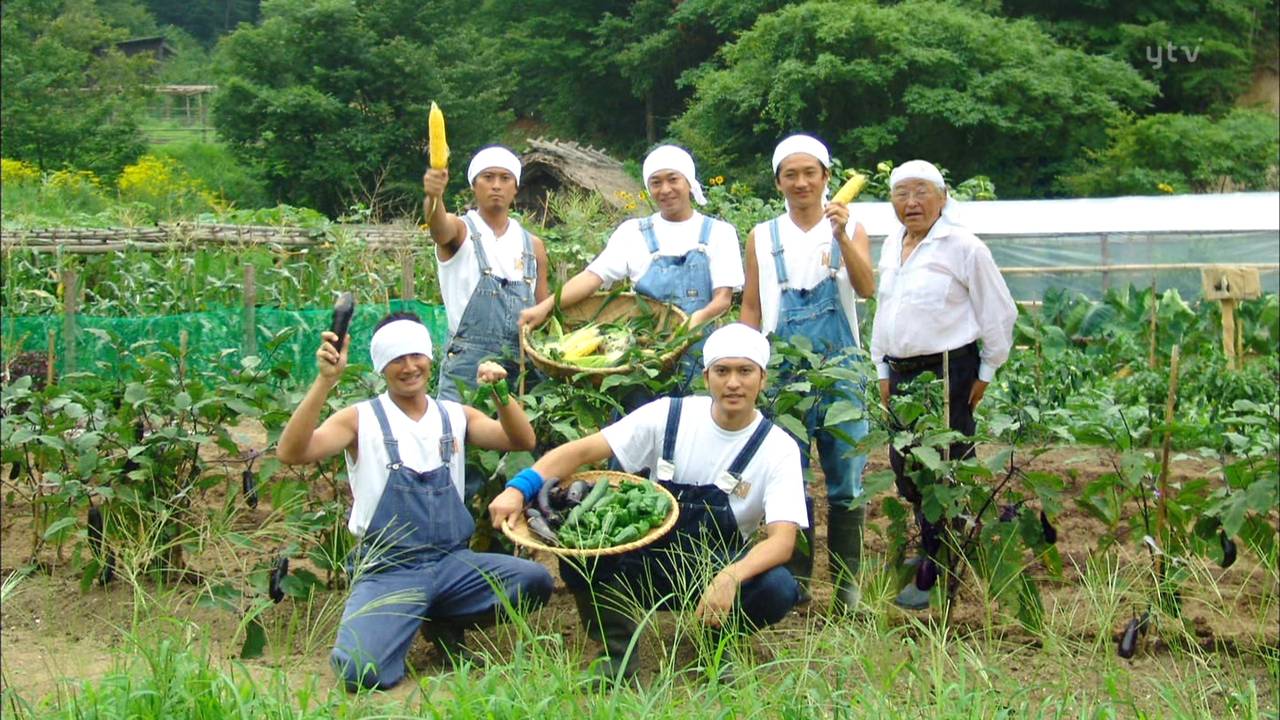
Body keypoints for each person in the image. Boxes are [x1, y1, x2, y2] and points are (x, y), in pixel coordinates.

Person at [488, 323, 806, 684]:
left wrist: (730, 577)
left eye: (745, 371)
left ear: (762, 378)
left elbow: (782, 540)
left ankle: (715, 641)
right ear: (706, 377)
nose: (733, 383)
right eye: (722, 371)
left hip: (713, 567)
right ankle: (617, 656)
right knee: (580, 554)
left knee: (778, 587)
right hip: (645, 561)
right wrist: (518, 488)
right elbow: (580, 451)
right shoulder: (671, 416)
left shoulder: (776, 448)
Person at [277, 312, 553, 692]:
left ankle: (439, 619)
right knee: (361, 672)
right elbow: (292, 452)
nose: (409, 367)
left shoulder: (453, 416)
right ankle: (402, 618)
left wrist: (499, 395)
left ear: (429, 357)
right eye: (396, 359)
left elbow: (521, 440)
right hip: (390, 569)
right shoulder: (360, 420)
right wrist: (325, 382)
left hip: (452, 564)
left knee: (534, 581)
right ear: (381, 367)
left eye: (416, 355)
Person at [869, 160, 1016, 611]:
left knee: (944, 465)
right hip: (902, 372)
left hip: (949, 368)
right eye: (901, 194)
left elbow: (999, 313)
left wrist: (986, 372)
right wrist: (881, 369)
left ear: (942, 196)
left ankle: (937, 564)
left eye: (921, 192)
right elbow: (885, 308)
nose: (911, 203)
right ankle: (938, 544)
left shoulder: (964, 247)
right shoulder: (894, 244)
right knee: (906, 464)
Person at [740, 134, 876, 613]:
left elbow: (866, 287)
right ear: (778, 182)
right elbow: (752, 306)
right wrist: (744, 361)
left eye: (810, 173)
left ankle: (848, 591)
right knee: (787, 480)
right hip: (783, 374)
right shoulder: (763, 235)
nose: (801, 182)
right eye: (790, 174)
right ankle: (795, 585)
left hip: (843, 373)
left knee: (847, 481)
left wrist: (840, 236)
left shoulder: (851, 225)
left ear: (825, 177)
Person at [518, 145, 742, 390]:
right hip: (643, 354)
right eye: (656, 182)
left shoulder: (719, 233)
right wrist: (546, 307)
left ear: (689, 181)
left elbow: (723, 299)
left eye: (673, 179)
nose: (665, 189)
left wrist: (692, 322)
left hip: (699, 352)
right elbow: (593, 276)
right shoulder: (633, 232)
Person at [423, 146, 550, 404]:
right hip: (466, 368)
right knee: (457, 437)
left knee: (518, 442)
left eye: (505, 179)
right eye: (487, 177)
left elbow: (543, 310)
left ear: (515, 187)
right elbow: (438, 229)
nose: (496, 186)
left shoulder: (532, 246)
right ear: (474, 185)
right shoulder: (460, 231)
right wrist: (433, 197)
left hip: (520, 368)